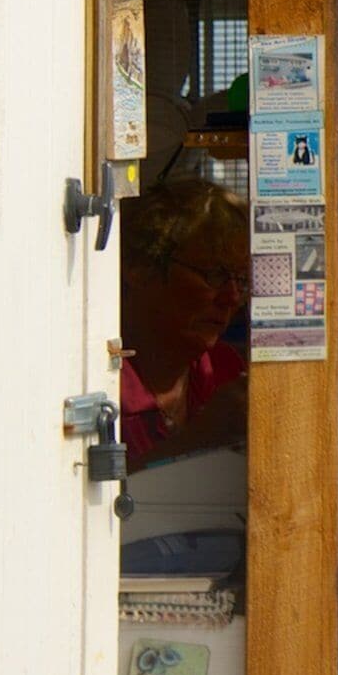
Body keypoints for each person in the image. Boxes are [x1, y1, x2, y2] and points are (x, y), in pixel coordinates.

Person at [116, 177, 252, 467]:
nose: (231, 297)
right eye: (214, 275)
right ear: (140, 269)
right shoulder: (98, 378)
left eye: (241, 281)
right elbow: (91, 503)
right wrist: (200, 437)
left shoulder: (224, 368)